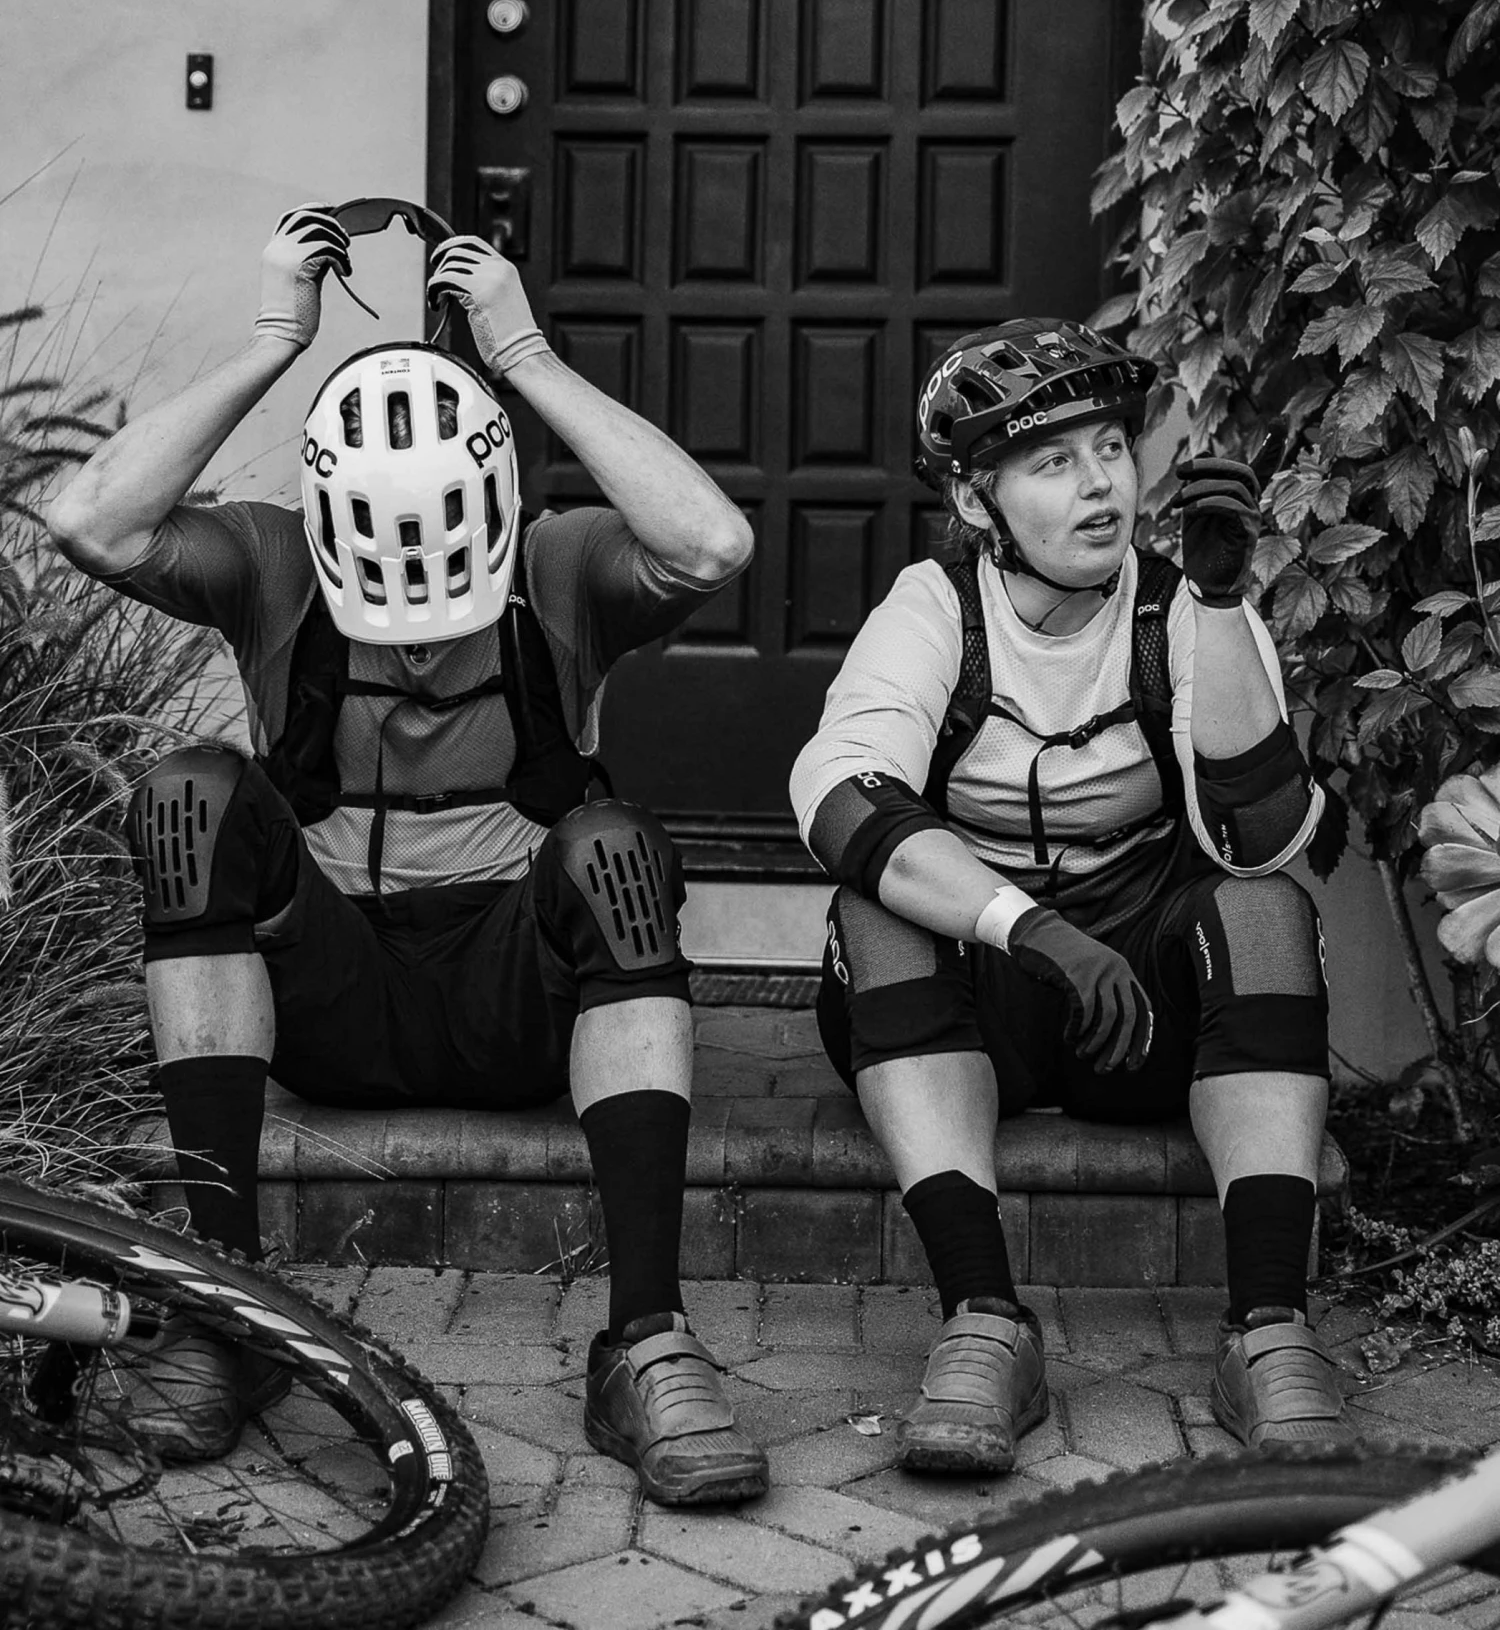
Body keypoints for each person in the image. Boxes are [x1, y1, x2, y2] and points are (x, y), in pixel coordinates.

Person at [46, 205, 769, 1508]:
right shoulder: (271, 561)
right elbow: (91, 519)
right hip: (338, 994)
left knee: (615, 851)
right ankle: (227, 1308)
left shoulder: (555, 567)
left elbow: (712, 542)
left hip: (512, 997)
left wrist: (526, 355)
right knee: (187, 797)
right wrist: (274, 338)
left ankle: (646, 1340)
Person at [789, 318, 1349, 1474]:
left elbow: (1256, 834)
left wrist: (1218, 608)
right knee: (876, 910)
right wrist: (1027, 926)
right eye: (1054, 462)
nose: (1101, 485)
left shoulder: (1180, 603)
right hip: (990, 996)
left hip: (1140, 1005)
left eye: (1110, 449)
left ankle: (1268, 1329)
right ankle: (984, 1321)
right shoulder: (936, 607)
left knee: (1264, 911)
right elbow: (840, 799)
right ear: (978, 500)